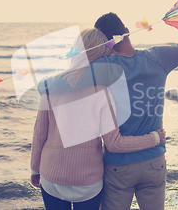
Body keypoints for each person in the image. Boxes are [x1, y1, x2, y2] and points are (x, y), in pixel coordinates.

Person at [40, 13, 178, 210]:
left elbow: (59, 83)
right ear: (127, 31)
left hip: (118, 166)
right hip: (154, 161)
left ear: (104, 44)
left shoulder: (100, 68)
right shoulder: (159, 57)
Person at [30, 28, 166, 210]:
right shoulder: (102, 92)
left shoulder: (51, 86)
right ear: (103, 54)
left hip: (51, 177)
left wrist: (34, 170)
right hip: (87, 182)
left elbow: (39, 135)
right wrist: (154, 138)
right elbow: (114, 144)